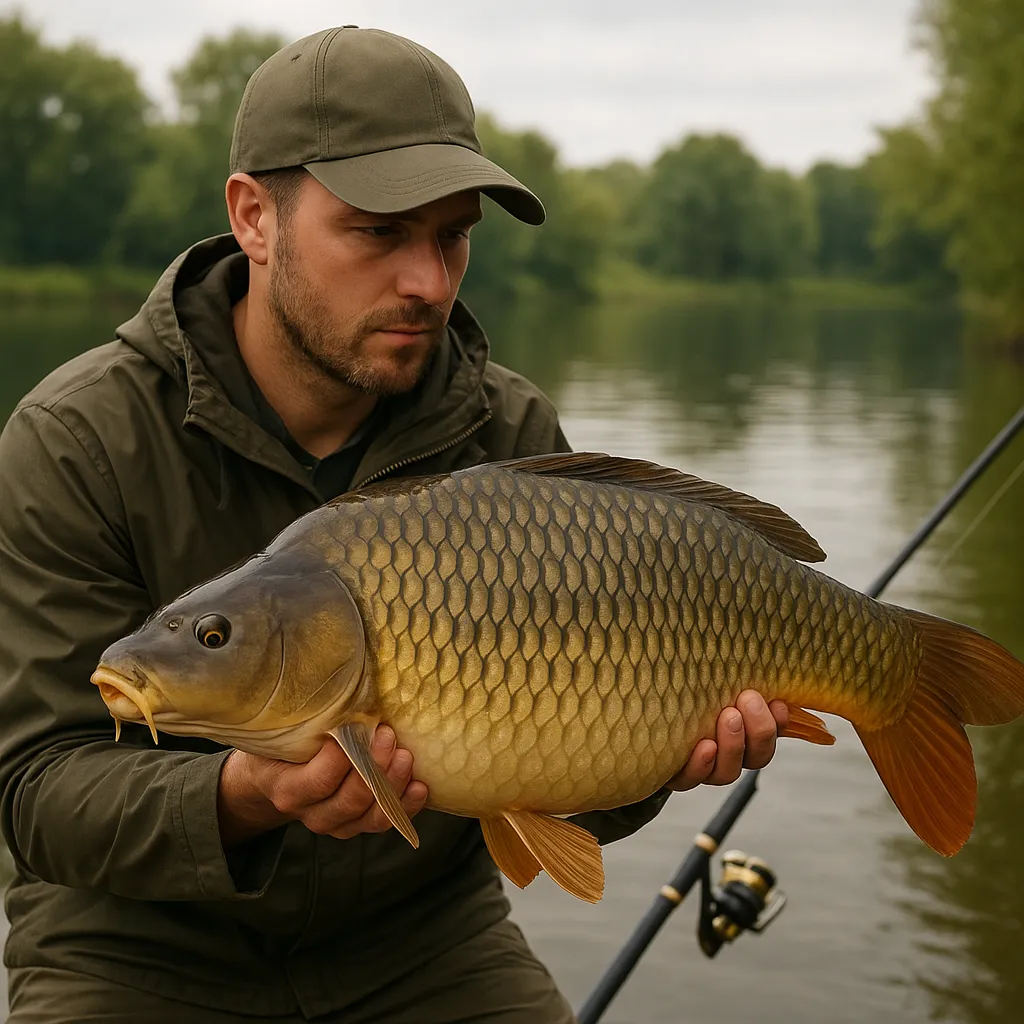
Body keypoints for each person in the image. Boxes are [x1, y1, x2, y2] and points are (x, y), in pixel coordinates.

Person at [0, 26, 788, 1024]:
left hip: (418, 941)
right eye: (378, 232)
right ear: (255, 217)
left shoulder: (509, 433)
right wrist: (244, 794)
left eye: (452, 234)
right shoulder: (77, 440)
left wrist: (662, 757)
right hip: (132, 947)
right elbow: (35, 792)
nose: (427, 280)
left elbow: (564, 782)